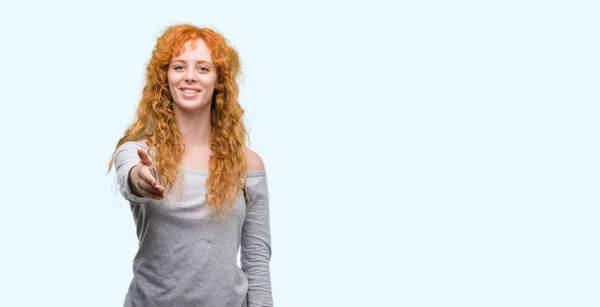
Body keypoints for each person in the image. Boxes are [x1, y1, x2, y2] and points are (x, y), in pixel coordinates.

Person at [107, 24, 273, 307]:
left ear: (219, 80)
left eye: (204, 68)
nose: (190, 77)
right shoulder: (138, 152)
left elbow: (256, 258)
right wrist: (140, 179)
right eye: (180, 67)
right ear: (166, 78)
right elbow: (130, 179)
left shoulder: (247, 163)